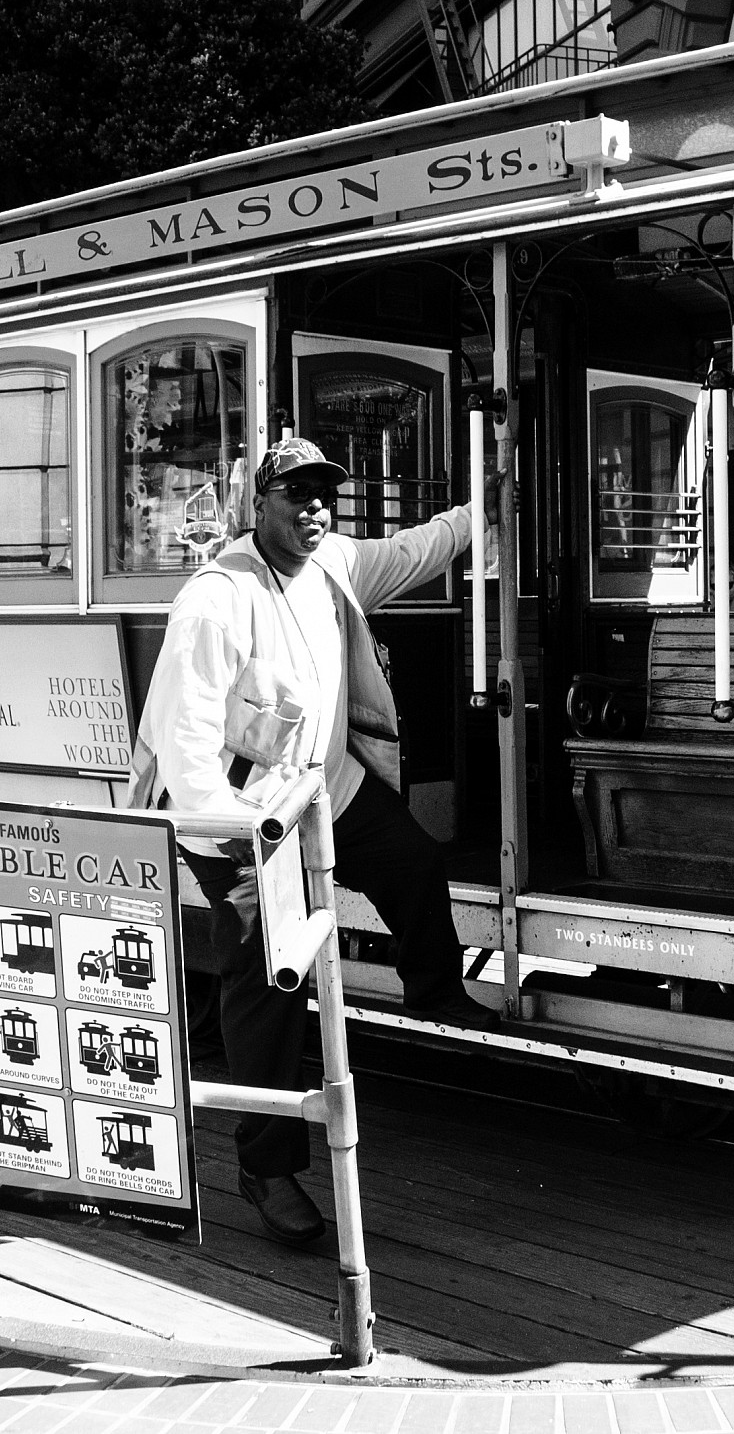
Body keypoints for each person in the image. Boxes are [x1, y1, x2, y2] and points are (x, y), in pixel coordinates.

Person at [129, 437, 499, 1248]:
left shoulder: (334, 562)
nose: (314, 509)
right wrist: (239, 848)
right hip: (234, 816)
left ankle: (433, 989)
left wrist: (482, 510)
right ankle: (265, 1168)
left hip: (323, 790)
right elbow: (186, 746)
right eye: (295, 495)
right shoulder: (217, 598)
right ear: (257, 506)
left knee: (413, 861)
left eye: (323, 494)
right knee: (270, 975)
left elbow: (416, 549)